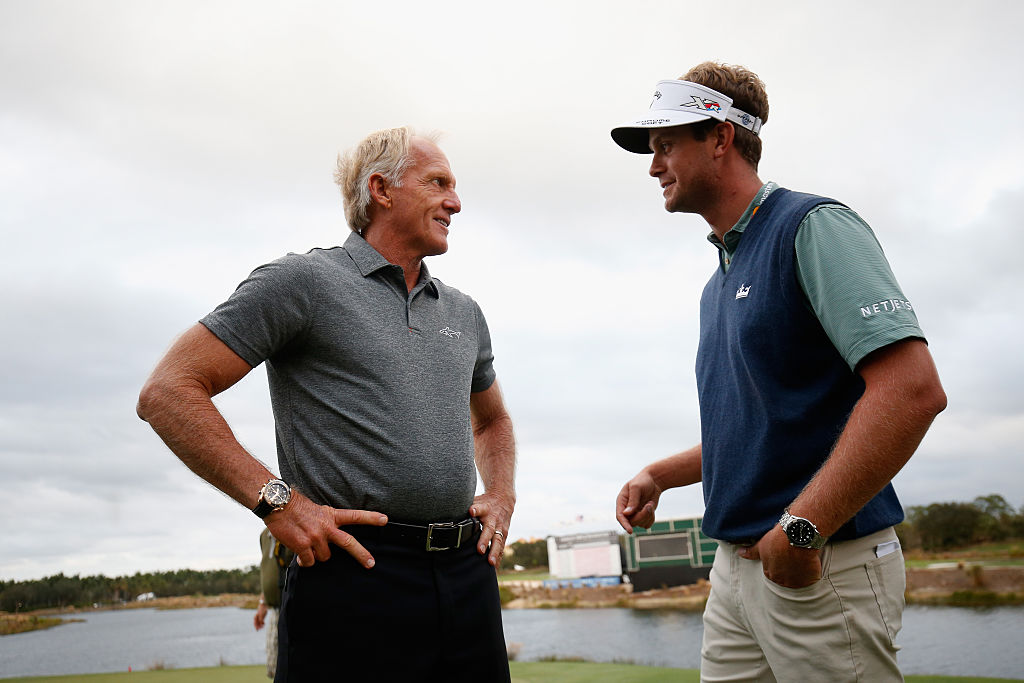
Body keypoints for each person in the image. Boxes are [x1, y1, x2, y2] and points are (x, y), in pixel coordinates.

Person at [137, 126, 516, 682]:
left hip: (467, 577)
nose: (455, 203)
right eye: (439, 183)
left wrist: (502, 495)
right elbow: (168, 392)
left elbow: (493, 421)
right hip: (352, 575)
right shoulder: (302, 283)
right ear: (382, 189)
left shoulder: (464, 311)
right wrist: (278, 503)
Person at [611, 63, 947, 681]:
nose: (653, 165)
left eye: (665, 145)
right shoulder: (717, 284)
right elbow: (765, 423)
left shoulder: (813, 227)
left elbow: (913, 390)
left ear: (720, 138)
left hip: (820, 563)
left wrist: (802, 529)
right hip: (736, 574)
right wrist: (663, 473)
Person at [254, 528, 293, 679]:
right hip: (275, 609)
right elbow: (268, 571)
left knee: (291, 668)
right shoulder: (264, 536)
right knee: (274, 668)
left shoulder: (293, 527)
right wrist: (263, 603)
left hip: (295, 607)